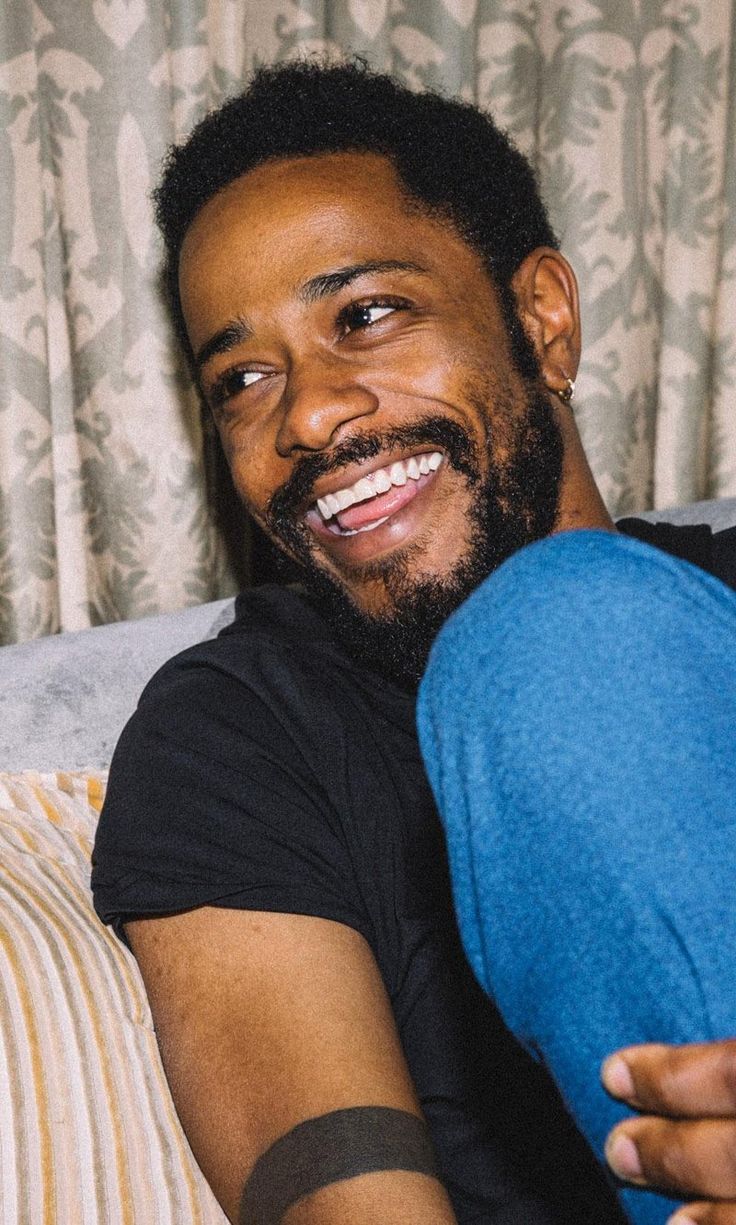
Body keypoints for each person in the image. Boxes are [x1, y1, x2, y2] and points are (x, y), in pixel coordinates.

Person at [91, 58, 736, 1225]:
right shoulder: (236, 736)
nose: (305, 414)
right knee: (552, 635)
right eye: (242, 378)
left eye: (367, 315)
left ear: (541, 317)